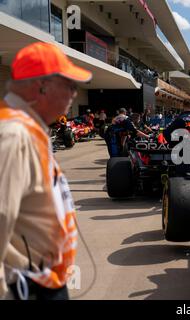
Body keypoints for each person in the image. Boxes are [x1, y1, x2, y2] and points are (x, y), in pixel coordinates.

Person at [0, 42, 92, 300]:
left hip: (42, 280)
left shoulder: (28, 129)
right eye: (70, 86)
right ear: (40, 87)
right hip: (27, 287)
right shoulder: (13, 135)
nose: (75, 94)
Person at [164, 100, 190, 177]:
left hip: (182, 152)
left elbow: (166, 133)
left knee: (182, 178)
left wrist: (174, 144)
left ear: (183, 106)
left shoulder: (179, 119)